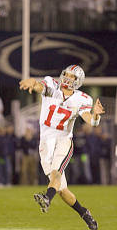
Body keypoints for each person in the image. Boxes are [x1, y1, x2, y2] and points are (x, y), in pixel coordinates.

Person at [19, 65, 105, 230]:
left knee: (56, 173)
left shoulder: (83, 98)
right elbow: (40, 87)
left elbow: (91, 121)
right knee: (61, 188)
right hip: (45, 141)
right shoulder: (52, 85)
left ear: (78, 81)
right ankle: (84, 213)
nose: (67, 78)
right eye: (66, 74)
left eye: (72, 76)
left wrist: (95, 115)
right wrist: (33, 83)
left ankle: (46, 198)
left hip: (64, 140)